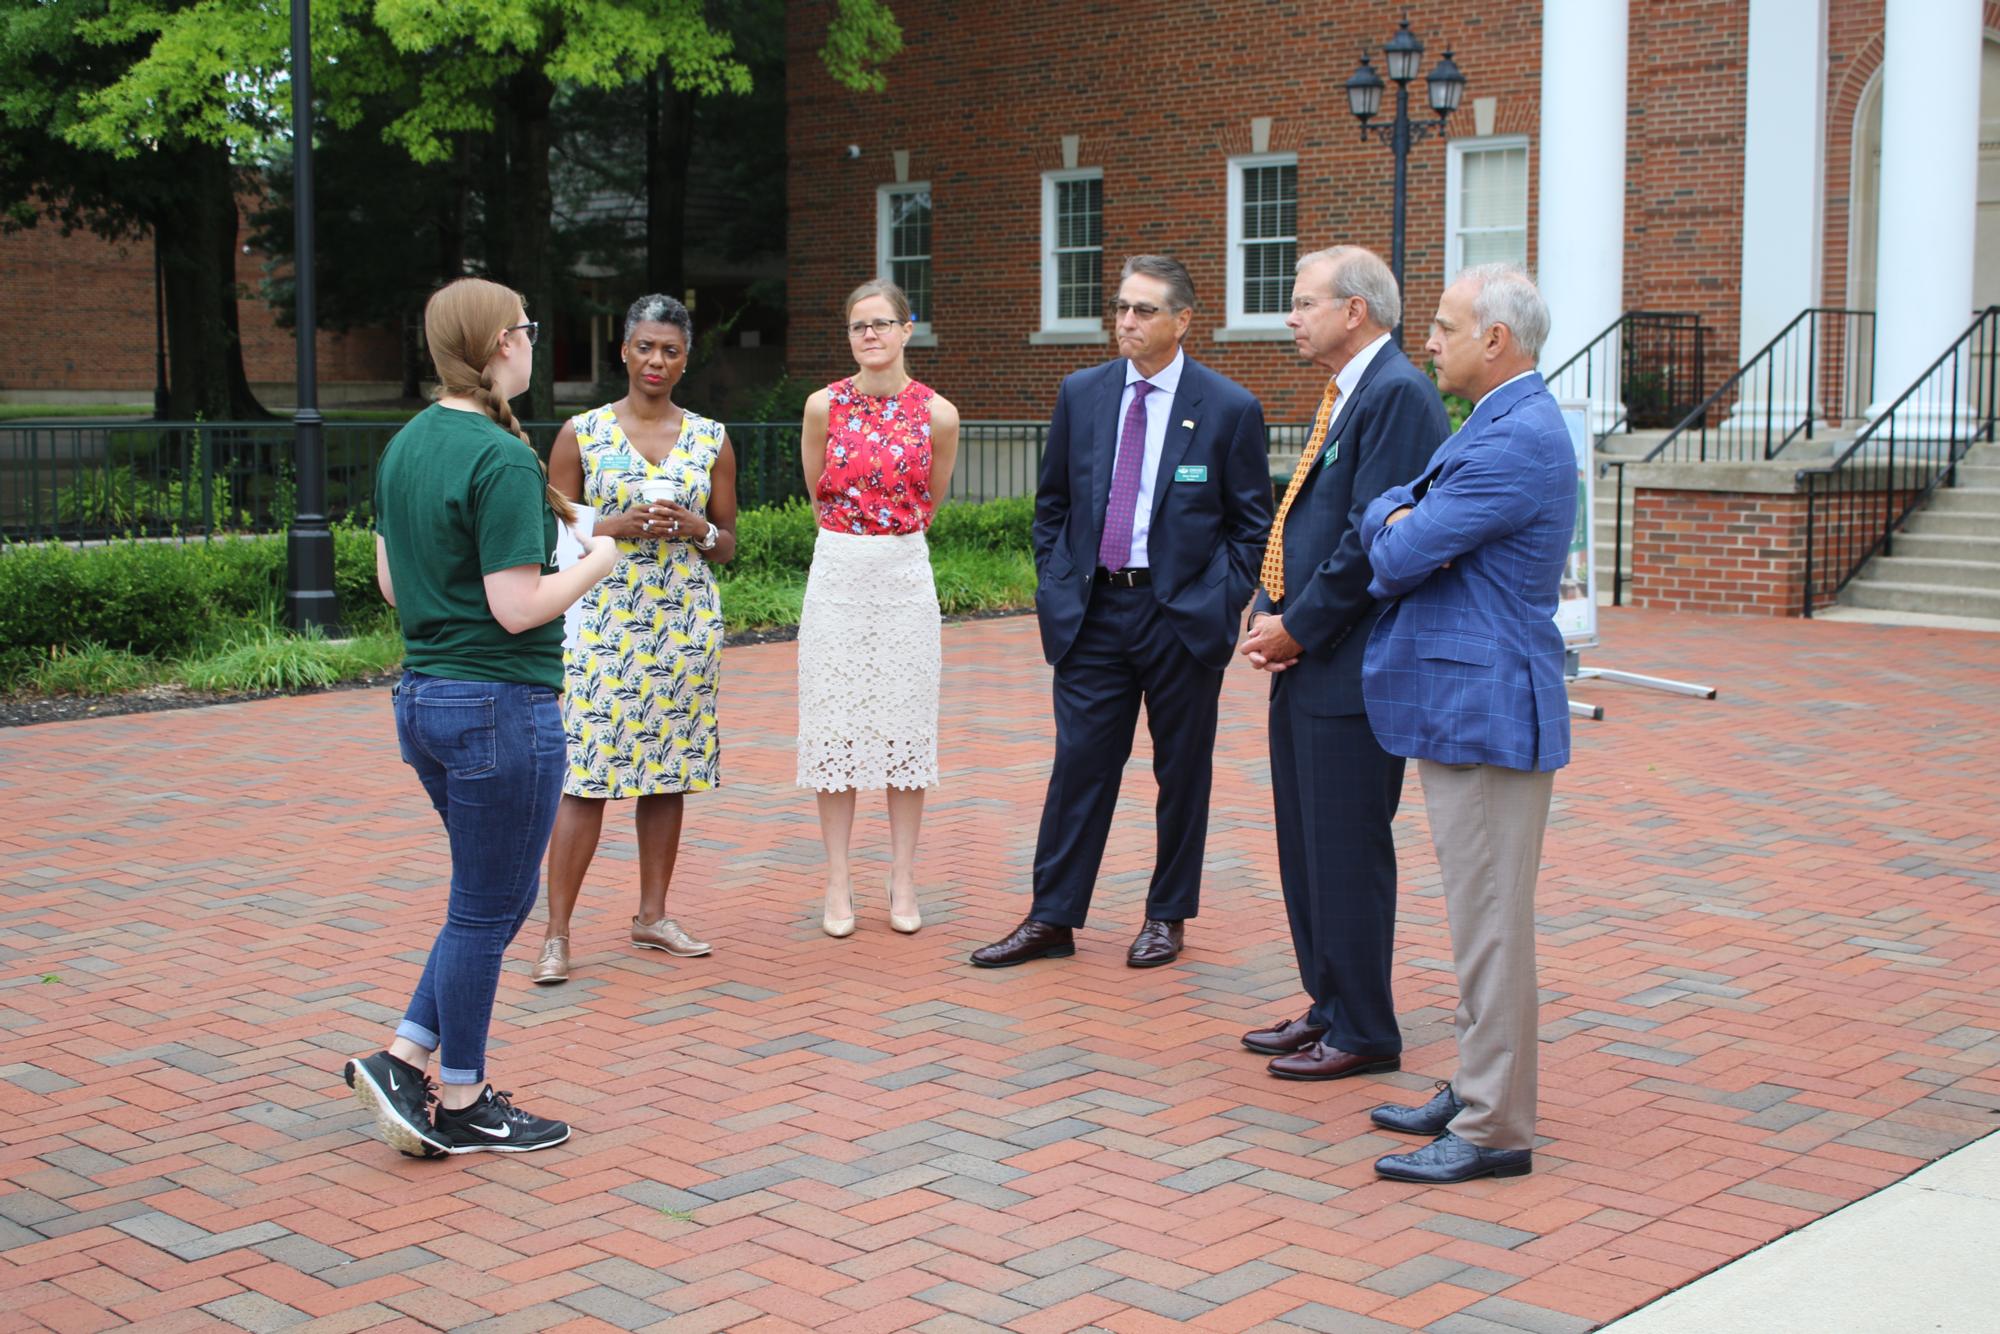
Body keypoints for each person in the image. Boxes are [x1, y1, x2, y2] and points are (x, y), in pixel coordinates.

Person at [345, 277, 618, 1156]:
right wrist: (601, 562)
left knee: (494, 899)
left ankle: (404, 1056)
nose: (534, 341)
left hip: (424, 698)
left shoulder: (405, 447)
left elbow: (392, 585)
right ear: (503, 342)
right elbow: (516, 605)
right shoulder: (500, 457)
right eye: (530, 328)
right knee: (484, 909)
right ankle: (461, 1101)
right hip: (500, 703)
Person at [972, 255, 1273, 970]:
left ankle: (1166, 915)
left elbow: (1251, 527)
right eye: (1122, 308)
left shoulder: (1229, 407)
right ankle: (1052, 917)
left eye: (1144, 310)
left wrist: (1217, 599)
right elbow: (1052, 506)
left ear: (1182, 320)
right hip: (1094, 612)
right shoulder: (1082, 393)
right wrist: (1057, 580)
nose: (1127, 322)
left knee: (1182, 773)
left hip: (1179, 619)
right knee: (1079, 766)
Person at [1358, 264, 1577, 1184]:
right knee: (1479, 917)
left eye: (1444, 327)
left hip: (1487, 709)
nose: (1430, 342)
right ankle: (1477, 1084)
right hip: (1470, 702)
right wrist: (1395, 510)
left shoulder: (1514, 436)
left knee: (1489, 922)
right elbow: (1399, 511)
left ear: (1497, 340)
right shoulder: (1497, 421)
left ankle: (1492, 1127)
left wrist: (1393, 516)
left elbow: (1403, 546)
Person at [1238, 247, 1451, 1082]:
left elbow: (1372, 540)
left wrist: (1301, 625)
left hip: (1353, 666)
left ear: (1354, 310)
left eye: (1303, 302)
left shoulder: (1397, 394)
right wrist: (1268, 596)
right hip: (1311, 661)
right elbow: (1311, 514)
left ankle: (1364, 1027)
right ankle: (1328, 1002)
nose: (1291, 316)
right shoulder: (1346, 392)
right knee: (1305, 845)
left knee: (1345, 849)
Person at [531, 294, 738, 985]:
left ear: (686, 358)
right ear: (623, 350)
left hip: (682, 627)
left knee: (668, 772)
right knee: (586, 777)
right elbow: (554, 540)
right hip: (603, 627)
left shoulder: (710, 438)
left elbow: (728, 543)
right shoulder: (580, 434)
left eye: (671, 350)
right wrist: (617, 526)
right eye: (645, 347)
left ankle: (653, 915)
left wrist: (694, 526)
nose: (657, 360)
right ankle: (556, 933)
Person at [796, 279, 960, 937]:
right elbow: (818, 491)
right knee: (834, 725)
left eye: (882, 323)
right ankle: (837, 879)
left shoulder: (938, 414)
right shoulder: (822, 407)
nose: (871, 336)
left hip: (903, 575)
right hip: (837, 571)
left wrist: (887, 544)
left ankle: (902, 875)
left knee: (903, 728)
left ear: (906, 329)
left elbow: (933, 496)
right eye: (859, 326)